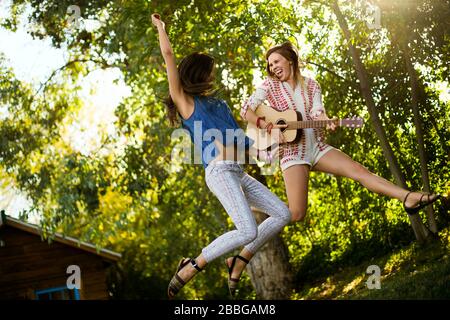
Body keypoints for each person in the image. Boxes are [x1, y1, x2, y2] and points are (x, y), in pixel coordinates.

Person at [151, 14, 291, 299]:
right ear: (198, 74)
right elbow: (168, 55)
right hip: (218, 172)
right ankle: (192, 265)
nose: (212, 77)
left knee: (282, 213)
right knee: (247, 230)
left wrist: (264, 151)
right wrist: (160, 29)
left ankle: (239, 259)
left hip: (238, 172)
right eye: (209, 72)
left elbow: (239, 140)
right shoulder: (186, 102)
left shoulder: (220, 104)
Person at [240, 41, 441, 225]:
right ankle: (247, 241)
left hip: (317, 147)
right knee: (296, 214)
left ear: (290, 60)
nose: (273, 67)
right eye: (270, 64)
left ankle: (408, 197)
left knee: (360, 172)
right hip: (292, 152)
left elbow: (318, 112)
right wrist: (269, 127)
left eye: (276, 61)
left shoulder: (312, 85)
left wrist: (326, 121)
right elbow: (245, 110)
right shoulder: (269, 86)